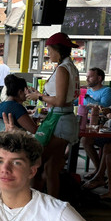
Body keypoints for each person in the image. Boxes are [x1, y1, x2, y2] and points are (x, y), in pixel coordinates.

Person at [26, 32, 80, 198]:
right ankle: (52, 203)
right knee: (51, 168)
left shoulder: (63, 69)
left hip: (59, 120)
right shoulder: (70, 67)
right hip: (65, 119)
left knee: (35, 162)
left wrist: (39, 97)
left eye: (49, 50)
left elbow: (60, 100)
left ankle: (32, 202)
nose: (48, 54)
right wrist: (40, 95)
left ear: (58, 50)